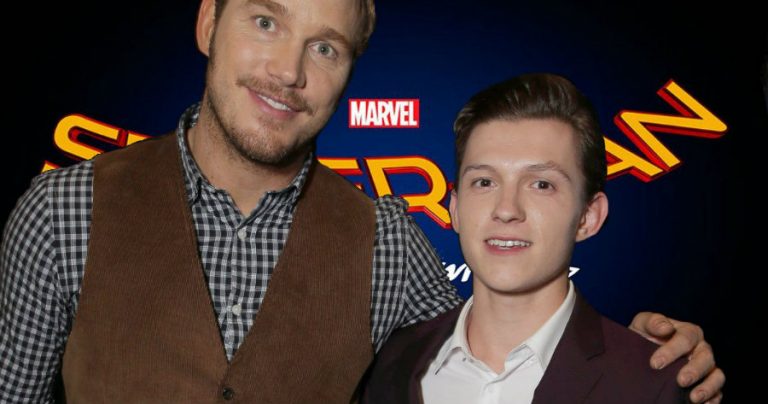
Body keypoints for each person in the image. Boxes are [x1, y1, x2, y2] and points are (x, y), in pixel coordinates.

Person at [0, 1, 723, 402]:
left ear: (349, 72)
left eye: (326, 48)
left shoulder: (386, 240)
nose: (288, 71)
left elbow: (499, 344)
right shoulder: (65, 210)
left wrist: (650, 353)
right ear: (207, 23)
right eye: (265, 21)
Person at [361, 73, 711, 403]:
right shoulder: (393, 362)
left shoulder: (652, 384)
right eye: (484, 182)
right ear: (455, 208)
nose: (506, 209)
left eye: (541, 184)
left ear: (588, 217)